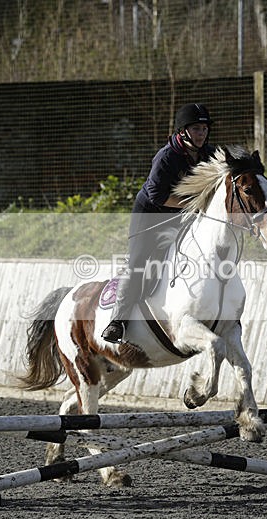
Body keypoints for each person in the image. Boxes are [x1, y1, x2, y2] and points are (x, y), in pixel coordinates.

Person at [102, 103, 217, 343]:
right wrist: (193, 205)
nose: (202, 133)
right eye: (196, 128)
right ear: (183, 131)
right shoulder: (167, 157)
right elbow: (157, 196)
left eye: (205, 128)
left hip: (182, 215)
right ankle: (117, 321)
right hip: (150, 216)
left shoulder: (208, 154)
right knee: (137, 264)